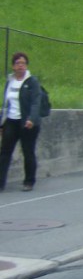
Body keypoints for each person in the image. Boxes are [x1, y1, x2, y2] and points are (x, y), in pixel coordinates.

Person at [0, 52, 44, 192]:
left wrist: (31, 118)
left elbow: (36, 102)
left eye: (23, 63)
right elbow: (5, 104)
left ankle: (29, 181)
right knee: (5, 152)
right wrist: (1, 123)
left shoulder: (32, 82)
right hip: (11, 121)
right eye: (18, 63)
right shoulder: (10, 81)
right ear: (13, 66)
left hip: (27, 122)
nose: (21, 66)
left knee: (28, 151)